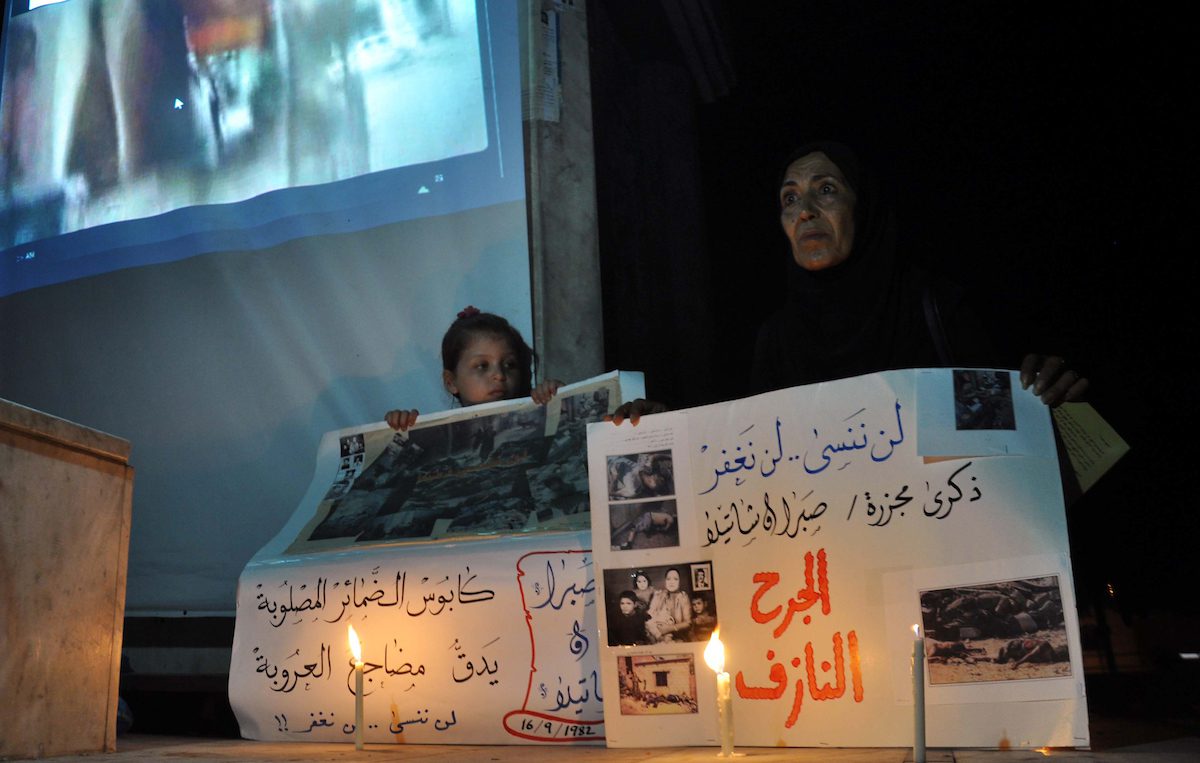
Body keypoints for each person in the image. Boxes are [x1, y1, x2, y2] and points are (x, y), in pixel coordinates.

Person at [751, 141, 1088, 405]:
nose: (805, 211)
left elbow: (993, 437)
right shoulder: (776, 341)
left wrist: (1044, 394)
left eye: (826, 189)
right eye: (790, 198)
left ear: (864, 207)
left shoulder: (935, 308)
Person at [385, 307, 563, 431]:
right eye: (482, 366)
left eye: (509, 364)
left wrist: (561, 399)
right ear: (451, 382)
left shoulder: (541, 410)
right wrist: (398, 427)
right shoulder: (438, 436)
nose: (499, 375)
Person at [645, 568, 692, 643]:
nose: (671, 582)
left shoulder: (683, 597)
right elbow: (648, 618)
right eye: (668, 579)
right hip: (658, 637)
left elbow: (688, 623)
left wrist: (669, 628)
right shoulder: (658, 595)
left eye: (675, 579)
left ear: (680, 581)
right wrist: (659, 635)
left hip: (679, 637)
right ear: (665, 581)